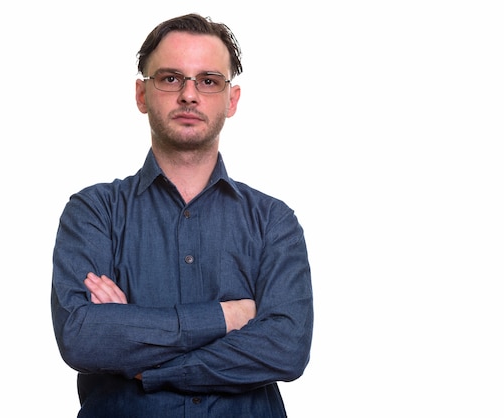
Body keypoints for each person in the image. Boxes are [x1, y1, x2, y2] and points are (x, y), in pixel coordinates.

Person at [51, 13, 313, 417]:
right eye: (171, 78)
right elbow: (84, 337)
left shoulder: (273, 222)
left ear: (232, 99)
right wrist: (229, 316)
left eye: (208, 81)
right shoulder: (93, 212)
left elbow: (286, 348)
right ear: (142, 94)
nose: (189, 95)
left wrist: (143, 356)